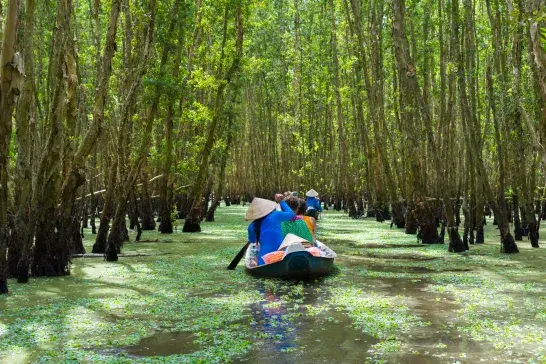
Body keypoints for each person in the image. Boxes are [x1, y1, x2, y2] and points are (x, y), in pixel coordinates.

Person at [246, 194, 296, 265]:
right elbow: (292, 215)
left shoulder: (251, 227)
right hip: (281, 257)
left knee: (253, 258)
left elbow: (252, 240)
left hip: (263, 261)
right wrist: (282, 202)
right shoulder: (276, 215)